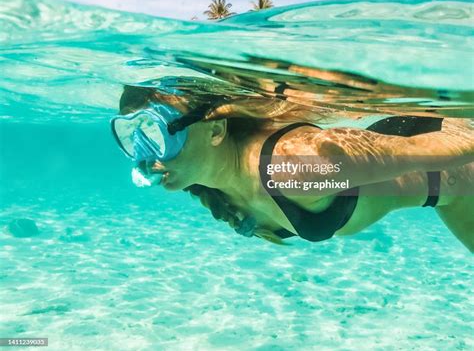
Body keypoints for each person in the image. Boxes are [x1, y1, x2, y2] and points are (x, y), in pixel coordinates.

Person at [111, 82, 474, 250]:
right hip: (444, 195)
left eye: (155, 133)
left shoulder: (296, 168)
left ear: (216, 129)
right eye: (132, 136)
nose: (144, 156)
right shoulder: (207, 181)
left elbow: (458, 146)